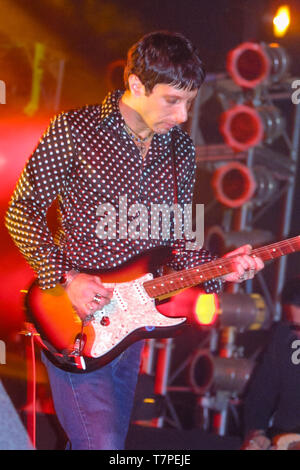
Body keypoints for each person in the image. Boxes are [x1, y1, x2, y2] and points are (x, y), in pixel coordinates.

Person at [5, 31, 263, 450]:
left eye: (189, 102)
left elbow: (177, 242)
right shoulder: (76, 129)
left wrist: (223, 267)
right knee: (102, 445)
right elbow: (23, 210)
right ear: (136, 85)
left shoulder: (179, 147)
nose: (183, 116)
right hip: (72, 318)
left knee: (104, 446)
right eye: (172, 101)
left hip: (133, 325)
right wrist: (66, 279)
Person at [242, 276, 300, 450]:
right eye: (297, 326)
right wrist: (256, 434)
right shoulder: (284, 336)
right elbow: (262, 392)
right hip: (284, 437)